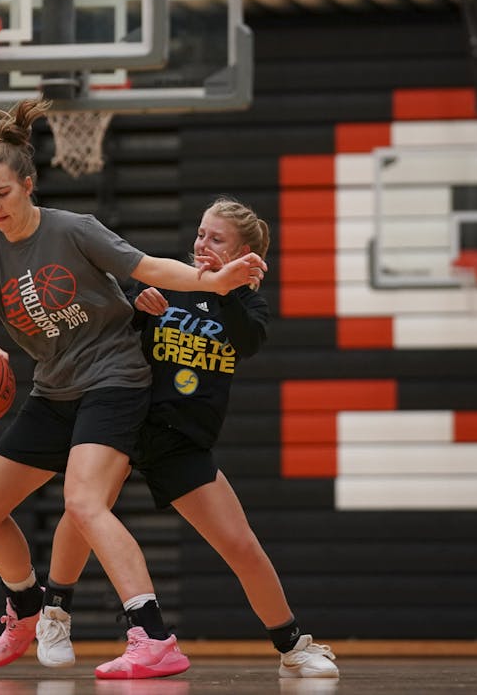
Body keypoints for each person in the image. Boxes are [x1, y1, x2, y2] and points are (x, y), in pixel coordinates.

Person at [0, 100, 269, 680]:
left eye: (2, 193)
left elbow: (148, 268)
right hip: (55, 389)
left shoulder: (73, 230)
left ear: (27, 185)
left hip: (116, 378)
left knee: (85, 502)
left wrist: (211, 279)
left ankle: (151, 633)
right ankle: (25, 604)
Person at [35, 197, 340, 679]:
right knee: (84, 507)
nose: (201, 244)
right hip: (129, 417)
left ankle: (293, 646)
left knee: (242, 545)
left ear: (243, 253)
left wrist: (224, 288)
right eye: (200, 234)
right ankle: (55, 614)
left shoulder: (248, 305)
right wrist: (137, 305)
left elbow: (247, 341)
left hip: (181, 439)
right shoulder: (169, 277)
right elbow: (112, 330)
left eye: (215, 239)